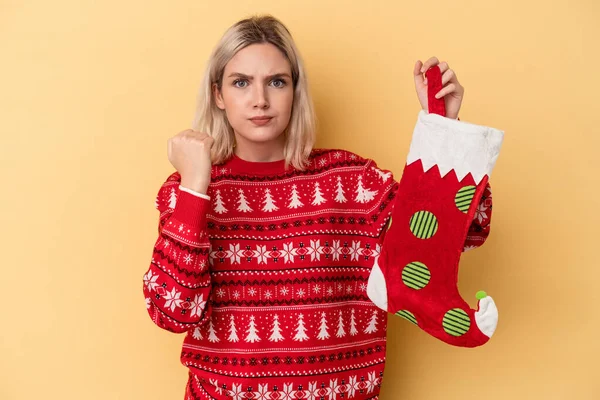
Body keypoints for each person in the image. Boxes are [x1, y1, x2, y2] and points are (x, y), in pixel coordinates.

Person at [142, 14, 500, 399]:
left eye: (276, 82)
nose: (259, 99)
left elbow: (465, 233)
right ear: (218, 95)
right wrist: (196, 187)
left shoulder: (354, 183)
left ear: (295, 90)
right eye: (241, 82)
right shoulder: (190, 191)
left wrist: (446, 133)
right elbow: (173, 311)